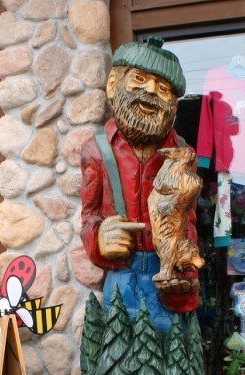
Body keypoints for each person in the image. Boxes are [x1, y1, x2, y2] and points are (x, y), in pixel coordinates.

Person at [80, 36, 199, 332]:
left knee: (169, 341)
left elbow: (188, 221)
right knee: (121, 342)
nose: (150, 91)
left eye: (162, 88)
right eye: (139, 79)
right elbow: (89, 215)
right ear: (113, 85)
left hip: (166, 271)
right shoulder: (97, 150)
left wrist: (186, 264)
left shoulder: (183, 154)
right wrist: (100, 238)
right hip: (122, 272)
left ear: (173, 105)